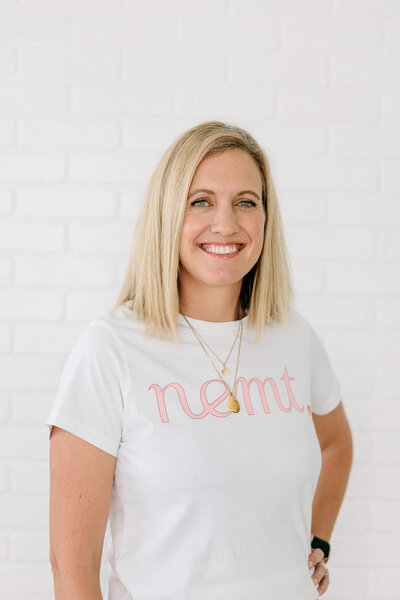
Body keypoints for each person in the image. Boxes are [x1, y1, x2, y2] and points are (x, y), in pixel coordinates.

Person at [46, 121, 353, 599]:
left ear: (265, 219)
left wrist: (319, 539)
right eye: (201, 201)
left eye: (246, 202)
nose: (225, 224)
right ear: (168, 215)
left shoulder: (294, 337)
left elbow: (336, 443)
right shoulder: (110, 350)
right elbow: (73, 565)